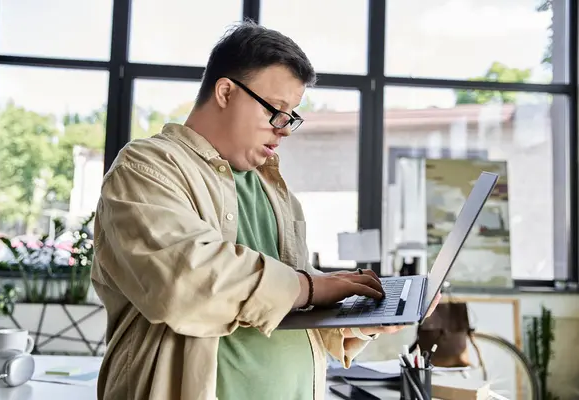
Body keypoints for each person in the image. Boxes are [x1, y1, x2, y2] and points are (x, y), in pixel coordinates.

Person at [91, 21, 440, 400]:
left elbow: (283, 306)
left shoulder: (272, 188)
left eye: (292, 117)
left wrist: (363, 318)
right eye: (277, 110)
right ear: (225, 91)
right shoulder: (147, 168)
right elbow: (184, 281)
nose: (285, 129)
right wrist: (309, 287)